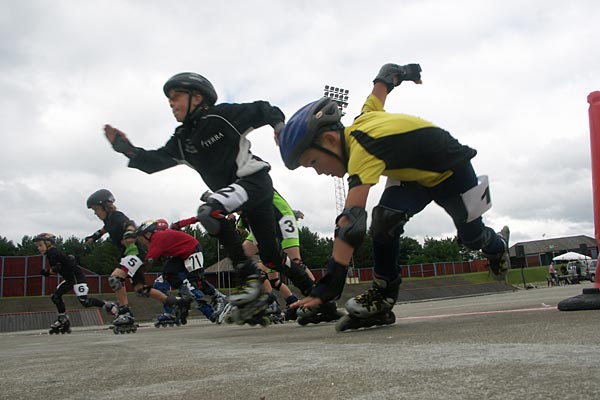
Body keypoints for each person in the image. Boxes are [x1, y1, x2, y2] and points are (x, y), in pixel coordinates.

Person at [277, 62, 510, 331]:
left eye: (314, 162)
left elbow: (350, 225)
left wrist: (329, 285)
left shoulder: (363, 149)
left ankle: (497, 245)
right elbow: (381, 85)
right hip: (412, 176)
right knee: (385, 220)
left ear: (330, 140)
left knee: (472, 238)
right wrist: (399, 73)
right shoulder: (362, 119)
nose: (319, 172)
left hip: (451, 172)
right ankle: (383, 294)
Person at [103, 72, 318, 325]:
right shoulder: (182, 140)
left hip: (254, 181)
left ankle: (248, 277)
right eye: (169, 100)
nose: (171, 103)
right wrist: (124, 147)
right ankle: (317, 295)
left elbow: (264, 109)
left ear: (198, 97)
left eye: (177, 96)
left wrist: (280, 128)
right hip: (244, 203)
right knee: (271, 257)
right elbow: (152, 163)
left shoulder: (219, 116)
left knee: (210, 211)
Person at [85, 189, 188, 333]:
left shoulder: (117, 216)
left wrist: (129, 232)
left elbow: (130, 223)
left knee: (115, 279)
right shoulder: (108, 221)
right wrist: (93, 237)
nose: (95, 213)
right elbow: (104, 229)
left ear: (105, 206)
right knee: (140, 289)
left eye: (96, 209)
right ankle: (176, 302)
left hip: (135, 254)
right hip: (131, 256)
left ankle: (125, 312)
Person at [150, 219, 229, 325]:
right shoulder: (157, 240)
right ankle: (172, 311)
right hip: (174, 265)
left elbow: (180, 224)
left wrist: (197, 218)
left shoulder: (170, 232)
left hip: (187, 258)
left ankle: (214, 304)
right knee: (159, 284)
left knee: (193, 285)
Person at [34, 233, 116, 334]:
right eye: (37, 246)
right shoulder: (52, 252)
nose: (39, 248)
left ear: (48, 244)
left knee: (84, 301)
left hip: (77, 278)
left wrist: (46, 272)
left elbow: (56, 268)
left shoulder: (52, 253)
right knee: (56, 296)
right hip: (70, 278)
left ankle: (108, 306)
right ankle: (62, 319)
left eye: (40, 245)